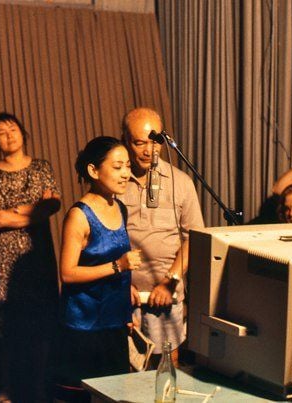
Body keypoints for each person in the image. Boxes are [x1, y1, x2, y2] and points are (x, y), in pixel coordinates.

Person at [0, 112, 61, 402]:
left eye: (13, 129)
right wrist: (32, 210)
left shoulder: (41, 167)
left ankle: (38, 388)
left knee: (40, 323)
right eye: (1, 132)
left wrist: (18, 211)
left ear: (23, 132)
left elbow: (51, 205)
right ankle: (7, 390)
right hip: (5, 257)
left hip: (38, 255)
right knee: (6, 325)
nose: (9, 135)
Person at [117, 107, 204, 368]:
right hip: (125, 294)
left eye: (155, 141)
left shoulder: (181, 182)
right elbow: (102, 237)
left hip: (166, 293)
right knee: (127, 369)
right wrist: (121, 283)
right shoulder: (114, 181)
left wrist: (170, 281)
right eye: (139, 142)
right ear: (125, 141)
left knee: (166, 364)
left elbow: (194, 238)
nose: (148, 150)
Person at [56, 136, 142, 401]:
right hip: (84, 326)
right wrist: (119, 266)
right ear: (94, 170)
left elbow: (114, 264)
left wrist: (128, 291)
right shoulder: (79, 215)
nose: (126, 173)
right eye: (117, 167)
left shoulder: (120, 208)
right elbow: (67, 273)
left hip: (114, 323)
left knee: (115, 395)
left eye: (127, 166)